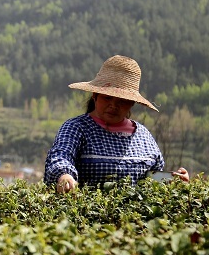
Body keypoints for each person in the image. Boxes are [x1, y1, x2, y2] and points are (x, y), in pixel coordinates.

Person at [44, 55, 189, 193]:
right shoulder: (76, 128)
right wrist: (64, 176)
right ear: (95, 95)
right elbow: (60, 156)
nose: (113, 106)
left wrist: (173, 180)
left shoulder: (143, 136)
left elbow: (150, 179)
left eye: (122, 101)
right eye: (107, 98)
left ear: (132, 103)